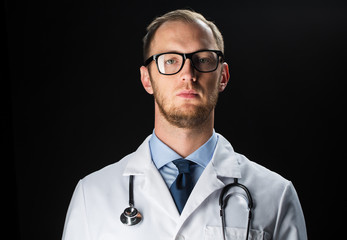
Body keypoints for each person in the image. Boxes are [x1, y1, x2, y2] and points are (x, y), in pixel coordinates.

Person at [62, 9, 307, 240]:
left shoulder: (276, 195)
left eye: (202, 59)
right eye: (170, 61)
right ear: (147, 79)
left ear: (223, 76)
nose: (188, 74)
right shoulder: (91, 195)